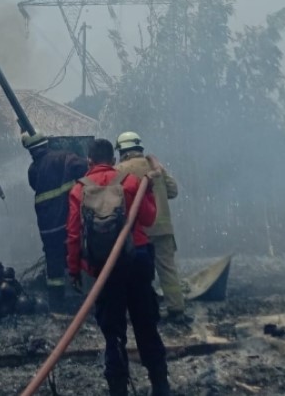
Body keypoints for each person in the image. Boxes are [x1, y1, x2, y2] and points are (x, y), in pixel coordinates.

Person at [66, 139, 171, 396]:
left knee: (113, 333)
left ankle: (118, 389)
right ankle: (160, 386)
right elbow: (147, 218)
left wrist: (74, 270)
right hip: (137, 260)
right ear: (113, 160)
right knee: (146, 325)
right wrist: (146, 193)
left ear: (89, 161)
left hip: (103, 269)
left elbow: (73, 236)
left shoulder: (79, 191)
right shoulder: (130, 182)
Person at [115, 131, 190, 324]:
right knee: (167, 269)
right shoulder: (156, 167)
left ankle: (146, 310)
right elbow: (173, 191)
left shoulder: (120, 170)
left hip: (140, 231)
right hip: (164, 229)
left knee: (140, 272)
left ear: (122, 150)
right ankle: (177, 309)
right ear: (139, 148)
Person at [23, 130, 88, 312]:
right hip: (66, 220)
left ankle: (56, 304)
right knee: (75, 253)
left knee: (53, 262)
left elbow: (36, 185)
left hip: (46, 226)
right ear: (46, 145)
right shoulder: (64, 157)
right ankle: (81, 296)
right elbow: (85, 168)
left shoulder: (32, 170)